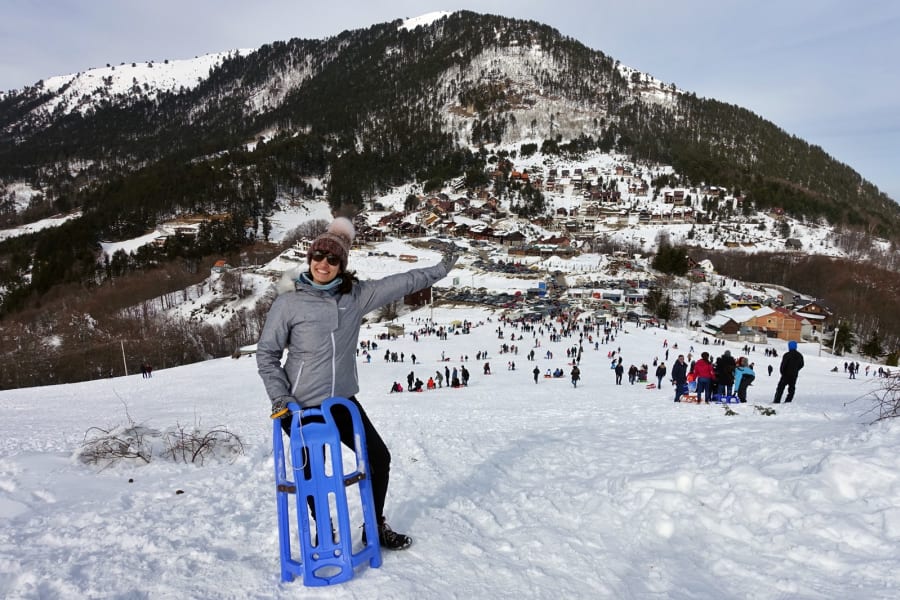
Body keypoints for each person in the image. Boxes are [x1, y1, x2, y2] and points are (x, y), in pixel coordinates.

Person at [257, 217, 459, 551]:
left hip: (341, 403)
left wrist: (442, 268)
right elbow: (267, 354)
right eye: (319, 256)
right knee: (313, 476)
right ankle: (324, 530)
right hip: (298, 405)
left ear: (342, 264)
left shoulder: (357, 297)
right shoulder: (288, 303)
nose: (324, 263)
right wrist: (279, 396)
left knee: (378, 459)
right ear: (310, 259)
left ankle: (374, 526)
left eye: (333, 259)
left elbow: (404, 281)